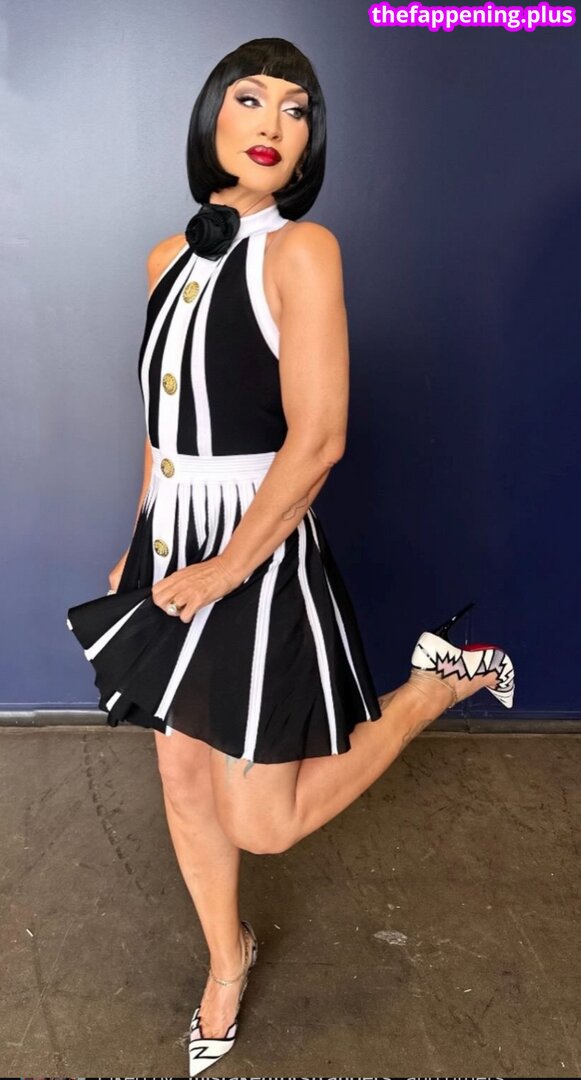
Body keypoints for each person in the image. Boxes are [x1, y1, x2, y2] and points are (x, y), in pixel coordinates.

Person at [67, 36, 515, 1075]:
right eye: (250, 99)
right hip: (169, 543)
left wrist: (226, 566)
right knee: (180, 774)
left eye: (296, 109)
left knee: (261, 824)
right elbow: (163, 424)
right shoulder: (164, 259)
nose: (272, 123)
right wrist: (139, 537)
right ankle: (226, 962)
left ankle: (428, 687)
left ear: (309, 142)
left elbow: (317, 440)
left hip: (255, 547)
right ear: (212, 120)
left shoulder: (302, 251)